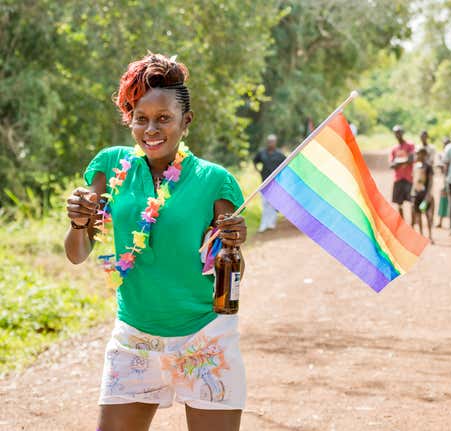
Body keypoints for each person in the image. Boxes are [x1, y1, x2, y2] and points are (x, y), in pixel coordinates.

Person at [64, 53, 248, 431]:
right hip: (134, 339)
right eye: (141, 118)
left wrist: (234, 244)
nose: (151, 129)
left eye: (164, 118)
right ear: (130, 119)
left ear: (186, 121)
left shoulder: (215, 181)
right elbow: (77, 253)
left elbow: (232, 272)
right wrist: (80, 221)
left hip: (205, 339)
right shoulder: (112, 166)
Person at [253, 134, 286, 232]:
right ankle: (264, 225)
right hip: (264, 182)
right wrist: (258, 171)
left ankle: (271, 223)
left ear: (275, 143)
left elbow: (286, 164)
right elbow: (255, 161)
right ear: (267, 142)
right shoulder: (262, 153)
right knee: (265, 203)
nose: (271, 143)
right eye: (269, 141)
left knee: (273, 203)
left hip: (276, 182)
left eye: (272, 142)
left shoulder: (279, 154)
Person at [389, 125, 415, 219]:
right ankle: (403, 223)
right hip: (398, 179)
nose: (398, 134)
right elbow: (391, 165)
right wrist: (405, 160)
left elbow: (411, 159)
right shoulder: (394, 149)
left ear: (403, 133)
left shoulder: (410, 145)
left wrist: (398, 162)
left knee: (412, 202)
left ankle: (412, 224)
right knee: (399, 204)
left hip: (409, 178)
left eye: (399, 132)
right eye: (396, 132)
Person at [411, 147, 435, 242]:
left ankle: (430, 236)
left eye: (419, 154)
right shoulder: (416, 166)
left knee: (427, 215)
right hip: (417, 194)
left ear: (424, 155)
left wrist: (428, 195)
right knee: (418, 215)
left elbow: (430, 183)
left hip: (425, 195)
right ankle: (421, 235)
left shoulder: (428, 167)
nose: (417, 156)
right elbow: (414, 181)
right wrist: (412, 193)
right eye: (416, 154)